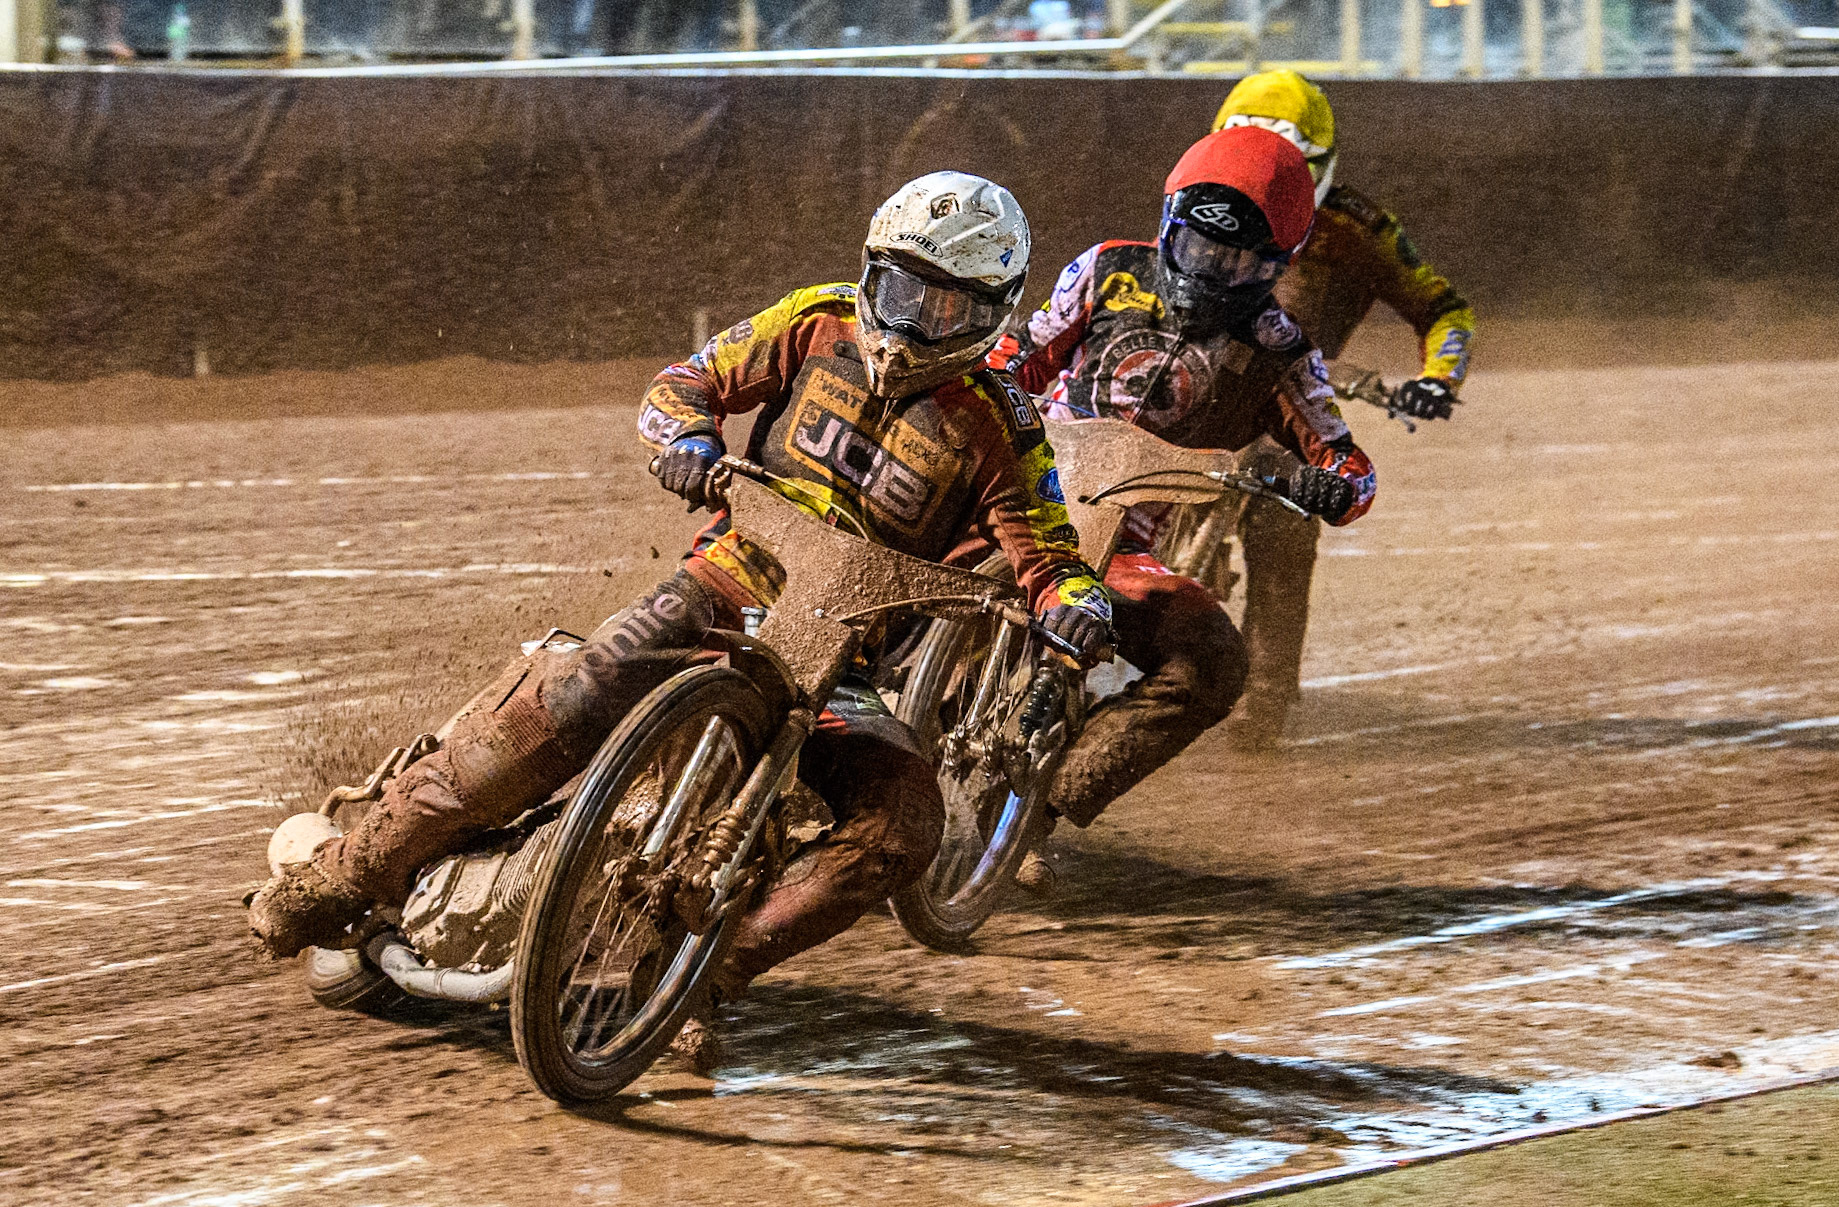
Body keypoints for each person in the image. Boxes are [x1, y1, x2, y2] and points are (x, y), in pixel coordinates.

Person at [249, 172, 1113, 1045]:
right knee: (580, 690)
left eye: (949, 308)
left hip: (842, 665)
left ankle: (703, 973)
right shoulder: (814, 321)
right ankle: (343, 876)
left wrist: (1078, 604)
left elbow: (1049, 547)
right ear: (869, 272)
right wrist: (688, 440)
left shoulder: (1005, 423)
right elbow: (683, 382)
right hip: (721, 584)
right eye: (903, 292)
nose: (917, 323)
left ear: (995, 312)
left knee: (906, 824)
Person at [989, 125, 1375, 887]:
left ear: (1275, 268)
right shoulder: (1104, 270)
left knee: (1213, 663)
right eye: (1197, 247)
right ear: (1169, 225)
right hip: (1012, 499)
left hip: (1120, 549)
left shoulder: (1281, 351)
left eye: (1234, 262)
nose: (1208, 271)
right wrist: (981, 394)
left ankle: (1043, 806)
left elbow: (1348, 462)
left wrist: (1331, 485)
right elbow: (1018, 354)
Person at [1209, 69, 1475, 749]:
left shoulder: (1358, 229)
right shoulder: (1196, 199)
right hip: (1194, 380)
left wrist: (1438, 379)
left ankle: (1264, 694)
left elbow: (1440, 308)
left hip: (1289, 405)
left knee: (1283, 517)